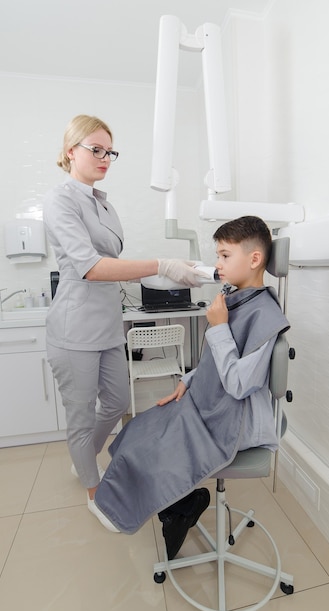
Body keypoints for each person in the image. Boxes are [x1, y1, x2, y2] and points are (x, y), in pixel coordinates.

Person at [43, 114, 207, 531]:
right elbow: (90, 267)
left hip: (107, 325)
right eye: (95, 149)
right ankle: (94, 490)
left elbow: (116, 263)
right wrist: (159, 263)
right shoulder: (61, 200)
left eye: (109, 151)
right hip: (74, 328)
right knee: (80, 415)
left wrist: (169, 272)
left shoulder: (103, 203)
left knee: (117, 403)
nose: (104, 158)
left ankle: (83, 456)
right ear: (70, 152)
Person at [94, 216, 290, 558]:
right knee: (141, 427)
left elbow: (240, 383)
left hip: (234, 423)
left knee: (149, 448)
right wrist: (188, 381)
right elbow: (215, 362)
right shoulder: (236, 298)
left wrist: (217, 328)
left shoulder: (265, 315)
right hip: (208, 401)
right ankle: (181, 504)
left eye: (225, 256)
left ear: (255, 259)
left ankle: (175, 506)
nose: (218, 264)